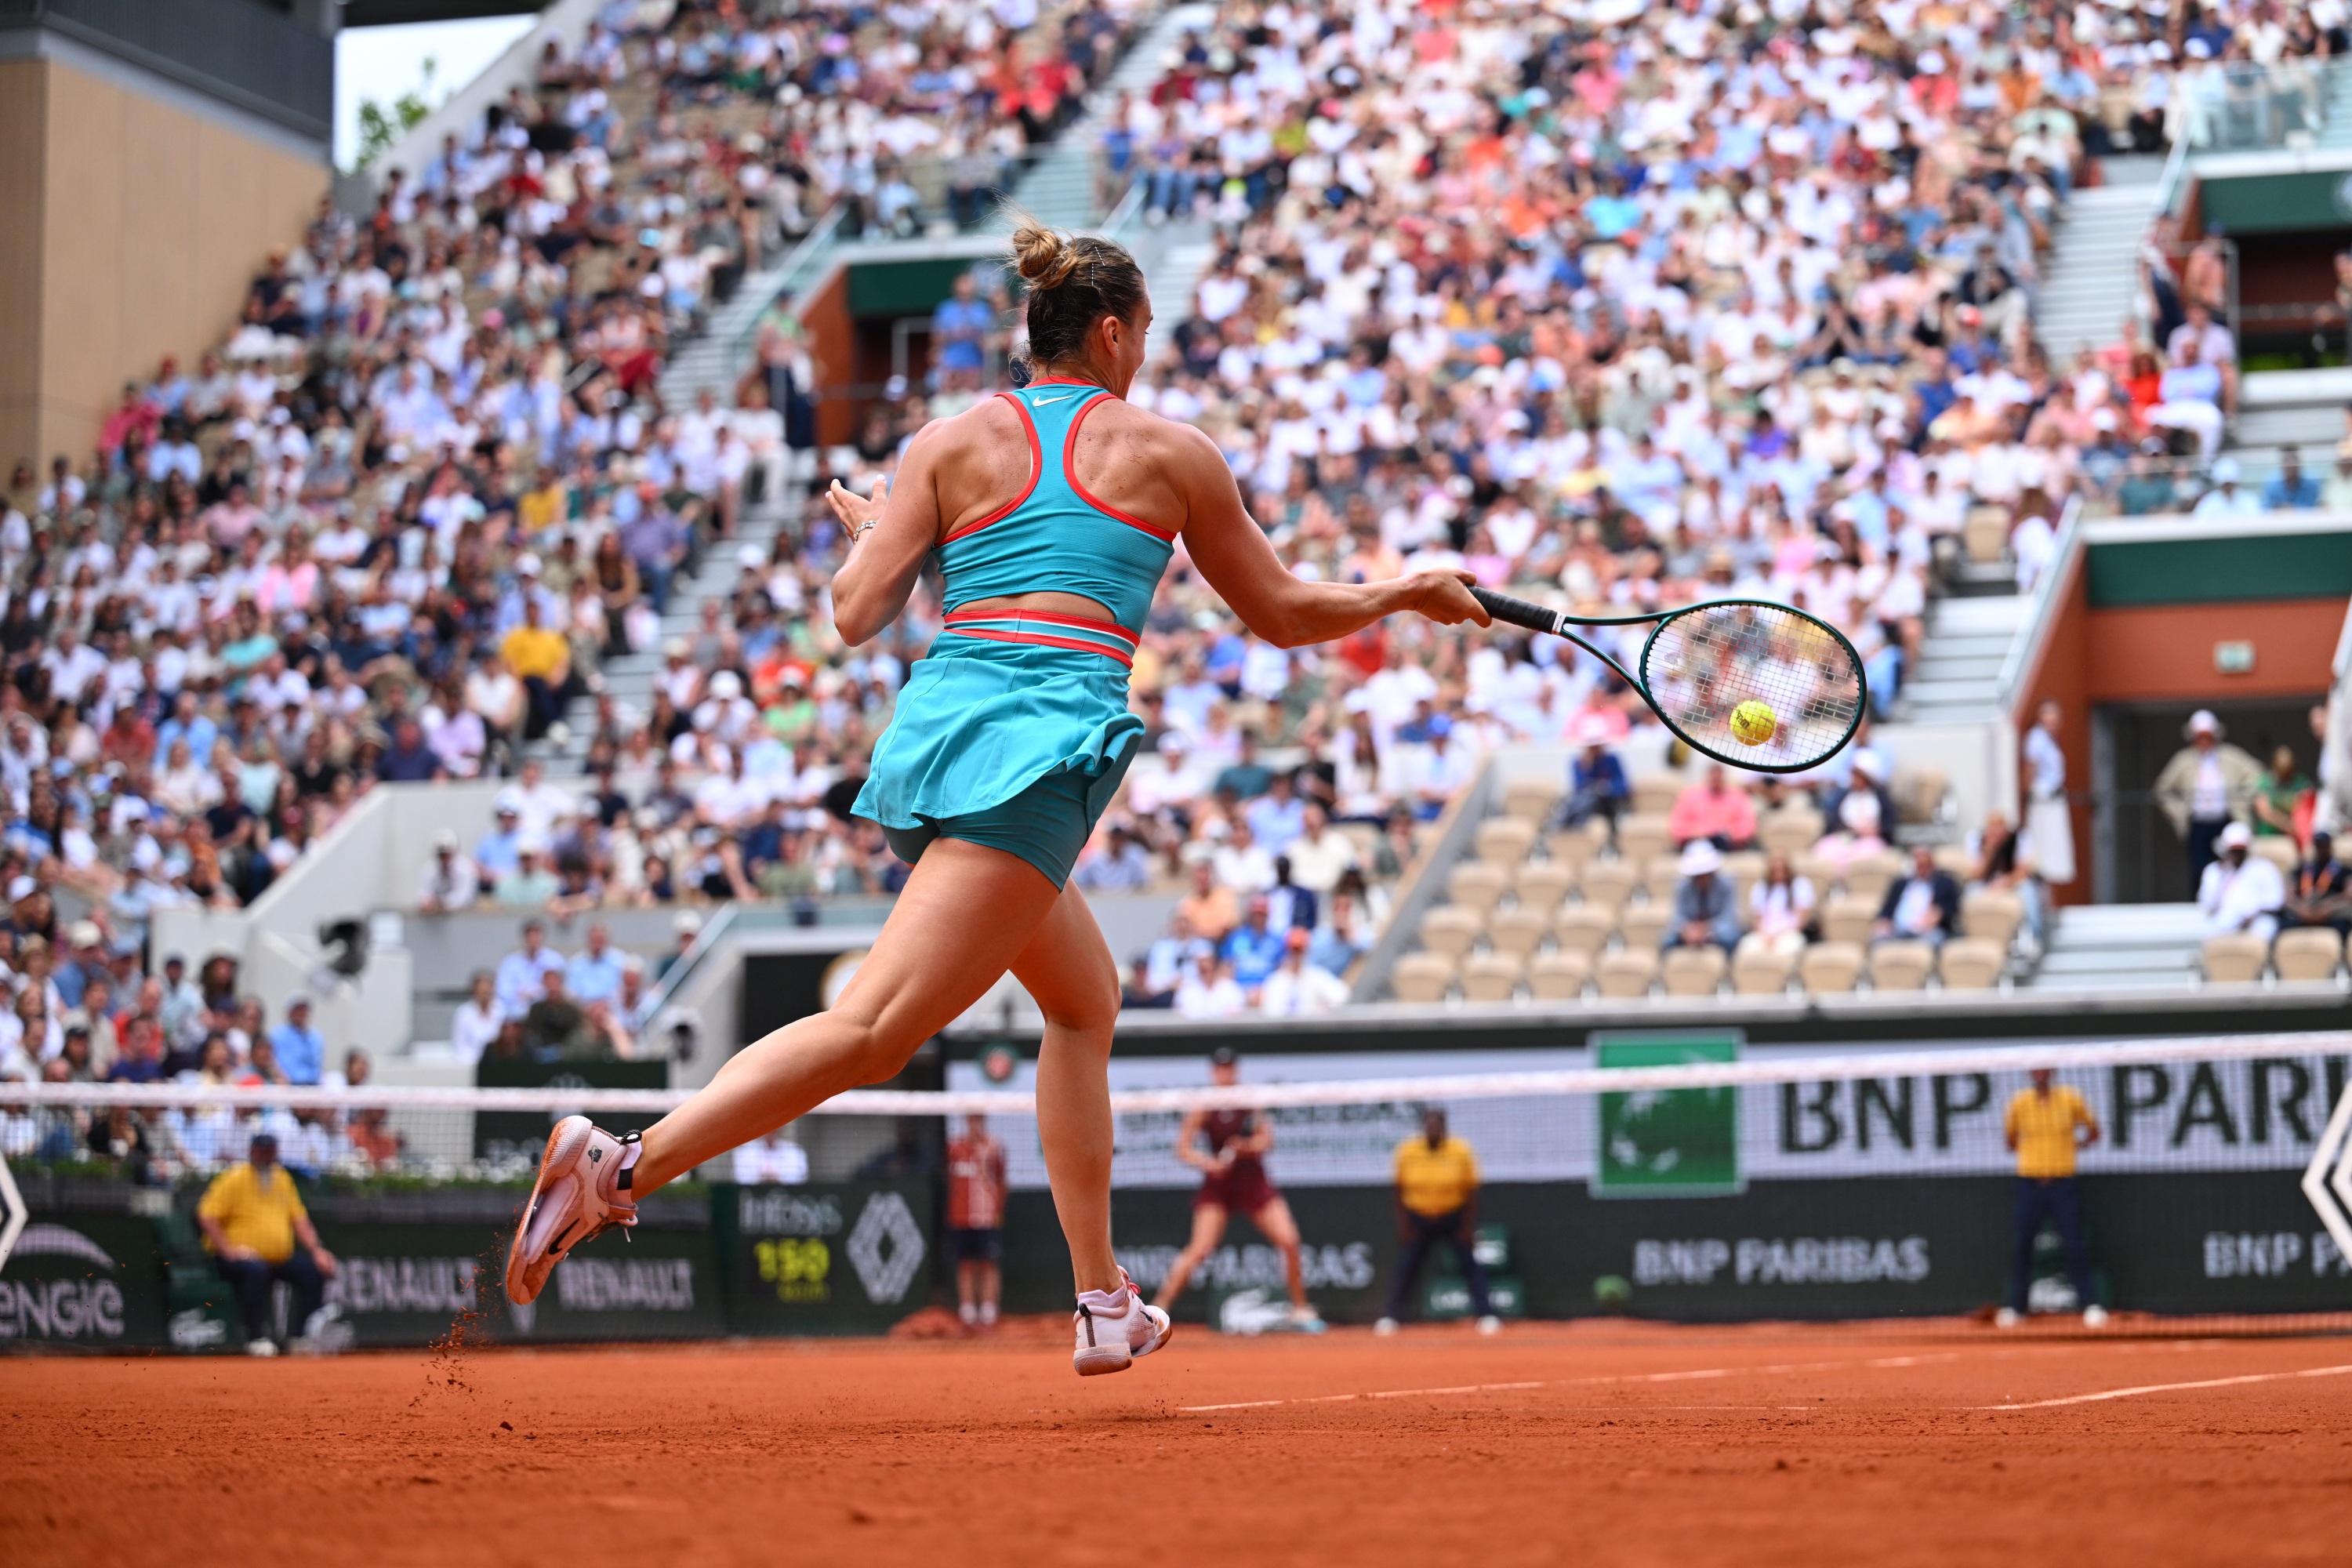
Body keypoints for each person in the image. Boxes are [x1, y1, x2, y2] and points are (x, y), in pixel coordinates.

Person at [500, 223, 1483, 1379]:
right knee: (872, 1032)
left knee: (1083, 1001)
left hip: (940, 746)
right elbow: (1282, 611)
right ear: (1113, 332)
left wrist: (887, 536)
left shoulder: (943, 443)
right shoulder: (1170, 453)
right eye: (1146, 336)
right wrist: (1405, 590)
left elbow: (854, 615)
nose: (1146, 355)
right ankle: (618, 1164)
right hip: (1039, 759)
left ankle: (1104, 1298)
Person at [1152, 1047, 1319, 1327]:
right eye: (1220, 1068)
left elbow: (1266, 1141)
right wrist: (1209, 1163)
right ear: (1213, 1073)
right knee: (1200, 1248)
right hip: (1218, 1186)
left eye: (1229, 1067)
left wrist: (1245, 1147)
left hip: (1254, 1183)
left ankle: (1301, 1309)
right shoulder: (1203, 1104)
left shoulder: (1250, 1100)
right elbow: (1183, 1149)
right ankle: (1158, 1309)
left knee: (1289, 1240)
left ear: (1236, 1071)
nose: (1225, 1073)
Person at [198, 1130, 338, 1356]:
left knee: (313, 1272)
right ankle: (255, 1337)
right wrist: (229, 1250)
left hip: (278, 1258)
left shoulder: (282, 1178)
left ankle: (300, 1338)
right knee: (256, 1271)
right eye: (262, 1151)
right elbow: (207, 1215)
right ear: (252, 1151)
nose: (267, 1156)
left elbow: (299, 1219)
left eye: (270, 1151)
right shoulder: (234, 1177)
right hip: (236, 1260)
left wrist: (317, 1251)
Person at [1995, 1069, 2106, 1330]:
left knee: (2075, 1245)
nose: (2040, 1074)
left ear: (2052, 1073)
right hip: (2030, 1183)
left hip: (2062, 1182)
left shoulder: (2070, 1098)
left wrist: (2071, 1147)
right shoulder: (2019, 1102)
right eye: (2036, 1070)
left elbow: (2094, 1131)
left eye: (2045, 1069)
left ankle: (2090, 1306)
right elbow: (2010, 1140)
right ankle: (2016, 1308)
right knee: (2022, 1246)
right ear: (2030, 1074)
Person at [1374, 1109, 1499, 1337]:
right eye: (1428, 1125)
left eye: (1436, 1125)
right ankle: (1390, 1317)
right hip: (1418, 1218)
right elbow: (1398, 1189)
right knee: (1406, 1268)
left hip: (1454, 1217)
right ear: (1423, 1127)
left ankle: (1487, 1314)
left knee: (1471, 1266)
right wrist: (1404, 1224)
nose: (1432, 1129)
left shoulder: (1460, 1150)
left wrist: (1466, 1225)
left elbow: (1472, 1190)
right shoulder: (1408, 1151)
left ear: (1444, 1127)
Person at [2155, 710, 2260, 884]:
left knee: (2231, 865)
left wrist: (2242, 800)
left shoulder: (2230, 756)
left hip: (2225, 820)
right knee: (2199, 869)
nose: (2204, 741)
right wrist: (2178, 810)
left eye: (2208, 736)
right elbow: (2162, 789)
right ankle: (2200, 904)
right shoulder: (2183, 760)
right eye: (2200, 736)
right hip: (2198, 823)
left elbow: (2257, 775)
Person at [946, 1113, 1008, 1330]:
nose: (975, 1125)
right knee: (965, 1264)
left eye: (978, 1120)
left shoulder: (993, 1147)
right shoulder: (954, 1149)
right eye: (971, 1120)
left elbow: (1001, 1180)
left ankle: (989, 1309)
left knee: (988, 1263)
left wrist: (998, 1208)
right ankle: (968, 1310)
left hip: (986, 1216)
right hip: (961, 1217)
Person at [2198, 821, 2286, 942]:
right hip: (2224, 922)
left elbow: (2276, 901)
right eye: (2233, 850)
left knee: (2265, 929)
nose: (2236, 854)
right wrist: (2222, 876)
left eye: (2240, 850)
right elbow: (2207, 904)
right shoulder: (2214, 871)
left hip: (2257, 921)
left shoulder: (2264, 868)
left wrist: (2252, 916)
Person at [2020, 700, 2074, 888]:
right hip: (2043, 797)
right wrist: (2029, 794)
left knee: (2054, 847)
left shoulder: (2050, 741)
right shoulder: (2036, 738)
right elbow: (2031, 767)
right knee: (2042, 845)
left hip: (2054, 796)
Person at [1875, 844, 1963, 947]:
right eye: (1917, 859)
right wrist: (1884, 924)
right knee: (1878, 939)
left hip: (1928, 932)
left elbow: (1951, 909)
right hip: (1898, 931)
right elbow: (1886, 911)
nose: (1920, 863)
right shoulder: (1899, 884)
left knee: (1935, 939)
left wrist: (1937, 915)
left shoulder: (1944, 883)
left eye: (1924, 859)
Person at [1664, 840, 1740, 951]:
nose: (1702, 877)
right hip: (1690, 931)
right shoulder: (1682, 886)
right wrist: (1687, 930)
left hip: (1717, 932)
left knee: (1730, 938)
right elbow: (1677, 917)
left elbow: (1729, 918)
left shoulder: (1727, 884)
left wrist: (1707, 929)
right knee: (1668, 941)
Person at [2282, 832, 2352, 935]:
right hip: (2304, 910)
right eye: (2319, 846)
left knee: (2343, 924)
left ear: (2330, 846)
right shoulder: (2302, 869)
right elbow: (2289, 896)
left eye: (2324, 845)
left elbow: (2348, 895)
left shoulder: (2343, 870)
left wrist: (2327, 908)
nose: (2321, 849)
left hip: (2332, 912)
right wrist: (2302, 909)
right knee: (2285, 924)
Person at [416, 828, 482, 913]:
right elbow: (422, 895)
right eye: (441, 855)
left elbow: (465, 898)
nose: (444, 859)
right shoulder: (429, 870)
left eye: (447, 855)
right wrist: (428, 903)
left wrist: (440, 903)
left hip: (465, 917)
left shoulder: (466, 868)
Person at [268, 995, 325, 1086]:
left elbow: (318, 1064)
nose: (301, 1013)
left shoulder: (316, 1037)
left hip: (313, 1087)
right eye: (297, 1009)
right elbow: (272, 1062)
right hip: (288, 1087)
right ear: (289, 1012)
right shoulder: (277, 1034)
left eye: (303, 1009)